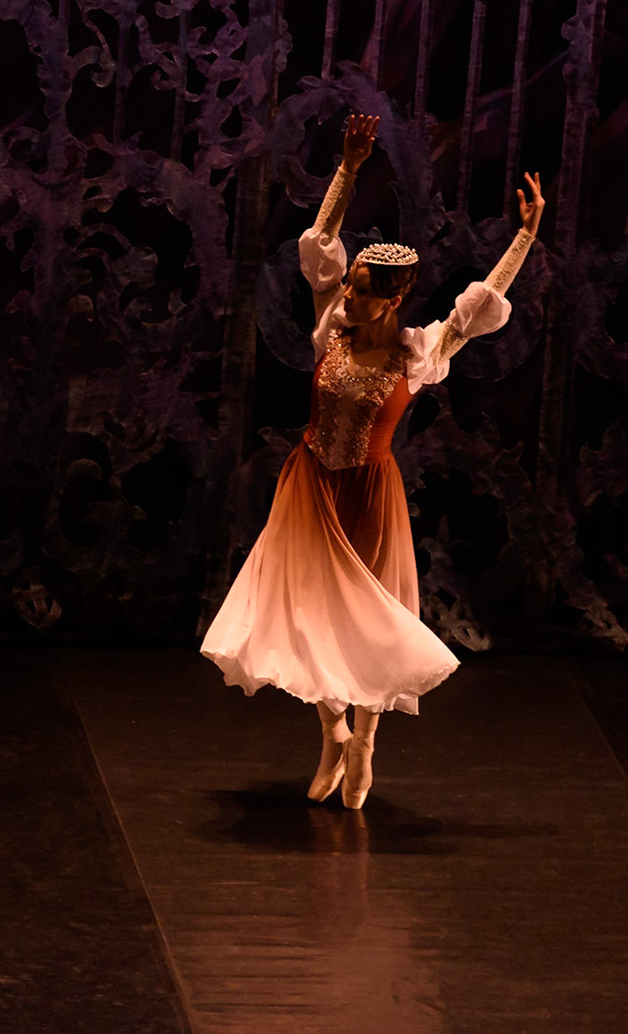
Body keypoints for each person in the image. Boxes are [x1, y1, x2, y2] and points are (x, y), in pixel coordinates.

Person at [201, 113, 541, 809]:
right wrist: (349, 170)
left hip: (369, 494)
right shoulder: (332, 325)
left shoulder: (419, 353)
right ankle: (334, 733)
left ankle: (369, 739)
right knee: (304, 614)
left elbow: (479, 308)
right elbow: (321, 240)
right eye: (349, 281)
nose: (346, 290)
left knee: (369, 620)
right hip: (309, 486)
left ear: (393, 297)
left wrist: (526, 237)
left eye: (359, 286)